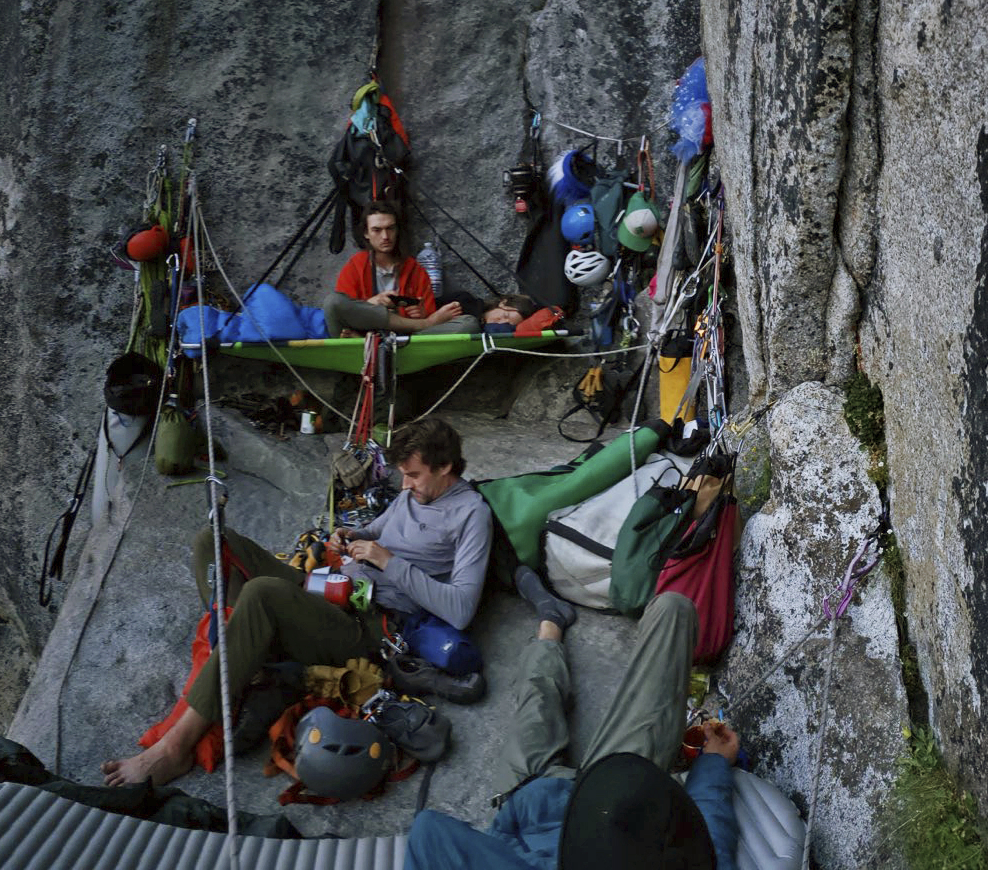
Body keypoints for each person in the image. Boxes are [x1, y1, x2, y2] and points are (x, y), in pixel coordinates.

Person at [101, 418, 493, 787]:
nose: (404, 485)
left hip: (365, 625)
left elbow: (460, 609)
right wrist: (347, 534)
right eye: (402, 475)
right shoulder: (412, 494)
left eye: (414, 475)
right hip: (330, 590)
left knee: (261, 594)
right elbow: (378, 530)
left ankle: (175, 747)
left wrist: (387, 561)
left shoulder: (471, 515)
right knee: (213, 540)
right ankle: (243, 651)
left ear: (445, 467)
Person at [403, 583, 742, 869]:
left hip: (529, 803)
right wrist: (713, 764)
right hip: (616, 805)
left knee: (537, 702)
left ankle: (550, 627)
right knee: (674, 611)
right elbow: (707, 845)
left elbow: (428, 833)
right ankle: (549, 624)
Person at [327, 202, 470, 334]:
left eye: (390, 228)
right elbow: (344, 310)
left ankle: (422, 327)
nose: (385, 236)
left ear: (397, 230)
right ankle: (424, 326)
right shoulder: (354, 266)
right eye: (377, 230)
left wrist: (422, 314)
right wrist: (371, 304)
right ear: (366, 233)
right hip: (365, 337)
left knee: (468, 324)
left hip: (407, 339)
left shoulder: (415, 269)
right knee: (333, 302)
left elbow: (428, 310)